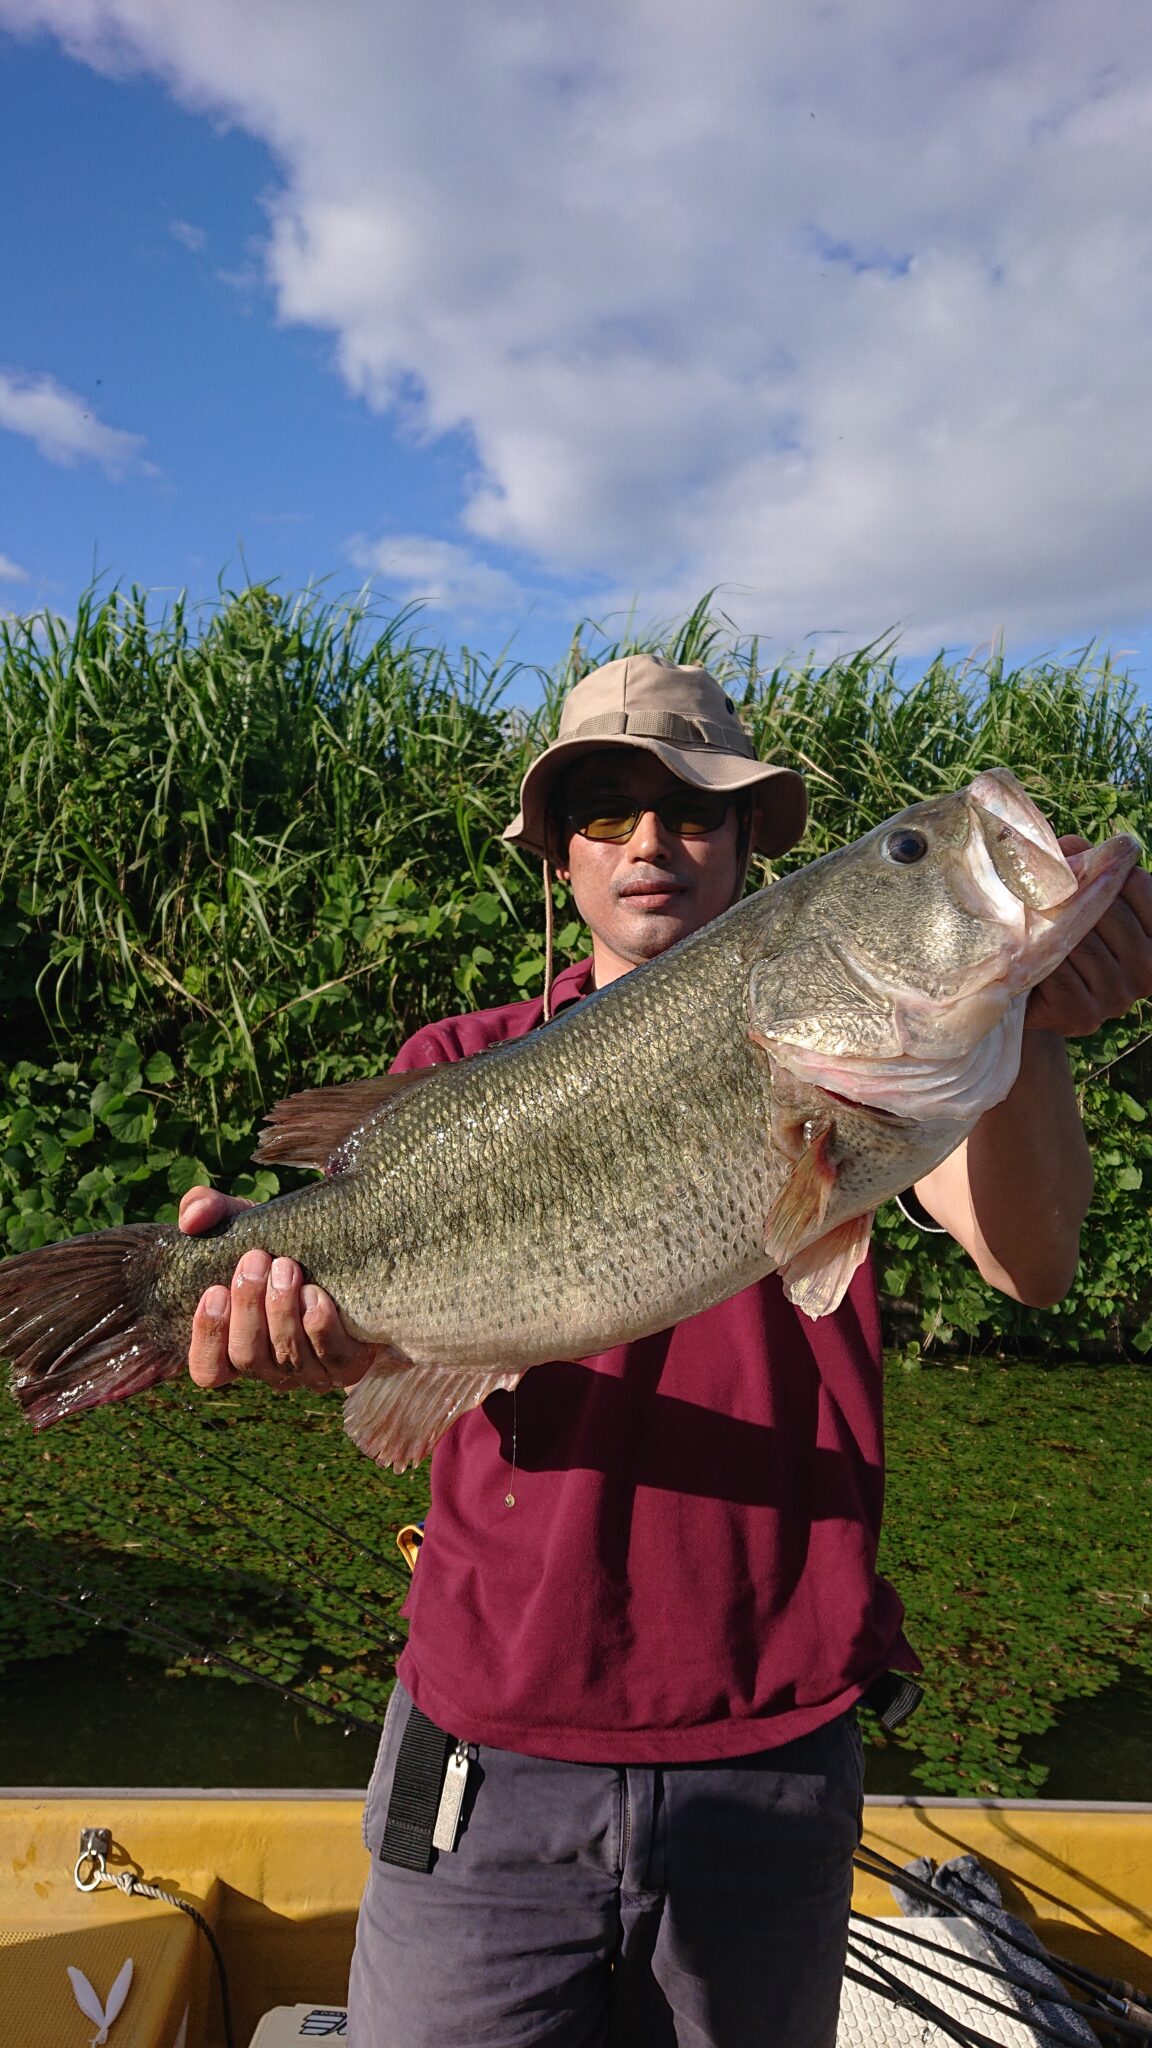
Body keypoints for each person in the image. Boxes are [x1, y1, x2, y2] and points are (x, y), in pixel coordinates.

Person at [180, 654, 1152, 2048]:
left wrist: (1033, 1018)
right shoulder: (458, 1063)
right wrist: (295, 1334)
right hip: (488, 1747)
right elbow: (384, 1359)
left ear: (750, 844)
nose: (650, 842)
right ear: (560, 858)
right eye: (605, 812)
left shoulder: (908, 1073)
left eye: (694, 812)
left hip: (770, 1753)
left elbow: (1033, 1263)